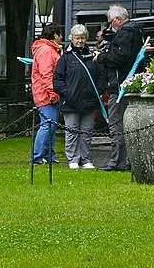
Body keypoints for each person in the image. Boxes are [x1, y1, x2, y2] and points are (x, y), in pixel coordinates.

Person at [93, 4, 145, 173]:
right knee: (131, 125)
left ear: (118, 20)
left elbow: (117, 58)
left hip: (119, 86)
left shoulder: (124, 33)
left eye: (110, 22)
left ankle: (117, 162)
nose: (109, 27)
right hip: (131, 84)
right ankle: (131, 160)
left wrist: (101, 56)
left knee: (116, 124)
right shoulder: (136, 31)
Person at [53, 24, 104, 170]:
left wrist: (98, 91)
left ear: (86, 39)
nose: (80, 41)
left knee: (87, 132)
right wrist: (67, 93)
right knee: (72, 132)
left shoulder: (93, 56)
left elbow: (101, 76)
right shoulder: (65, 58)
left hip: (90, 100)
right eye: (77, 38)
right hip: (71, 102)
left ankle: (85, 158)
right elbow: (57, 79)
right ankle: (73, 159)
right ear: (72, 39)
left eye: (82, 38)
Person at [30, 24, 62, 169]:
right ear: (55, 35)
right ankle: (37, 156)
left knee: (50, 125)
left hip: (43, 93)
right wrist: (52, 93)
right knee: (47, 125)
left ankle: (48, 155)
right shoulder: (47, 50)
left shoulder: (45, 49)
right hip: (45, 95)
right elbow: (47, 74)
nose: (61, 38)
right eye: (60, 35)